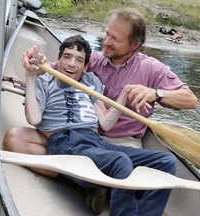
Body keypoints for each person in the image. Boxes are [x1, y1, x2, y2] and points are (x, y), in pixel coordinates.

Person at [3, 7, 197, 214]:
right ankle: (90, 184)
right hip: (75, 136)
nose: (106, 41)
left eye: (115, 38)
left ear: (135, 45)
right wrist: (34, 66)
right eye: (107, 34)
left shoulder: (152, 68)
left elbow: (190, 100)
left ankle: (122, 199)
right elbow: (57, 68)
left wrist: (156, 94)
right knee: (15, 138)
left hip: (119, 140)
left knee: (165, 161)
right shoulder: (93, 60)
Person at [22, 34, 176, 216]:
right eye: (66, 56)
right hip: (66, 141)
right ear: (58, 59)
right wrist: (30, 76)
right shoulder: (45, 81)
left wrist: (124, 94)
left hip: (96, 141)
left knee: (166, 162)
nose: (72, 63)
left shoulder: (90, 81)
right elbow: (33, 119)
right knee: (120, 161)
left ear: (86, 66)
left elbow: (106, 123)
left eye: (79, 60)